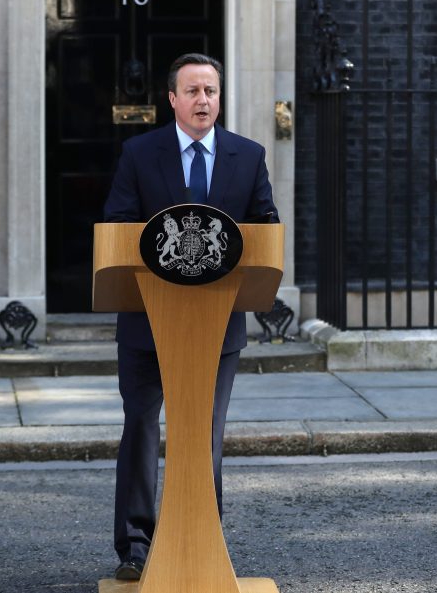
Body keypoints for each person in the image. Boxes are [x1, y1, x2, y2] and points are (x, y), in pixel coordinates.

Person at [103, 52, 279, 579]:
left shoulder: (247, 157)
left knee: (206, 433)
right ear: (172, 99)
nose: (204, 100)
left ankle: (203, 536)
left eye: (212, 91)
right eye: (194, 91)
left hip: (216, 325)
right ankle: (136, 548)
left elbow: (265, 226)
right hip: (146, 322)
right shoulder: (139, 152)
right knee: (141, 426)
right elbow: (117, 223)